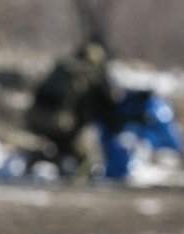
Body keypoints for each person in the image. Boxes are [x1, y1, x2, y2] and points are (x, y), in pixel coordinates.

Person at [24, 34, 119, 175]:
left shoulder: (65, 67)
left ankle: (44, 163)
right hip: (64, 123)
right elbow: (106, 102)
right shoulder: (91, 73)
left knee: (61, 149)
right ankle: (77, 182)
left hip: (38, 118)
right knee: (90, 157)